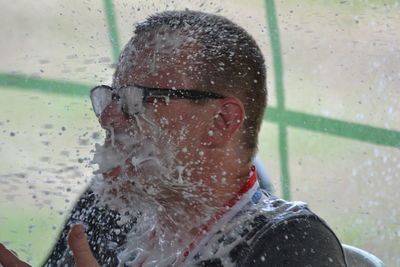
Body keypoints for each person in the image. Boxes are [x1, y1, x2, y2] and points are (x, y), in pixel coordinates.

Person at [0, 10, 347, 267]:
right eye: (113, 97)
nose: (108, 117)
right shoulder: (107, 206)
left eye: (137, 99)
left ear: (221, 123)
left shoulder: (290, 243)